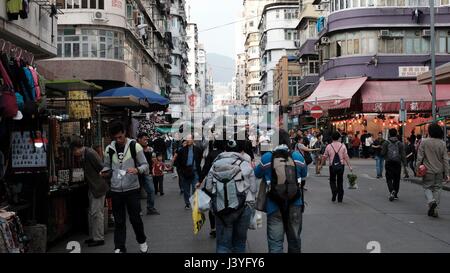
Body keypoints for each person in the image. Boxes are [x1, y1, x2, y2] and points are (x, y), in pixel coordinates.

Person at [254, 129, 307, 253]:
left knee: (275, 243)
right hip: (295, 203)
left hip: (274, 205)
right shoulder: (297, 157)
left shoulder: (267, 157)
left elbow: (256, 174)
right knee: (294, 240)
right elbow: (304, 174)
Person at [100, 121, 149, 253]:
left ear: (124, 133)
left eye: (120, 137)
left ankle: (142, 240)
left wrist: (137, 170)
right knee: (119, 221)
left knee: (135, 219)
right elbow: (107, 167)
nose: (118, 140)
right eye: (115, 138)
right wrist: (104, 172)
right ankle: (119, 247)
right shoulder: (109, 149)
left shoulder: (135, 146)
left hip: (132, 189)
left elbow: (145, 165)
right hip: (116, 190)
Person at [202, 139, 257, 253]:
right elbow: (253, 189)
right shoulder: (245, 164)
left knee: (222, 245)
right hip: (243, 207)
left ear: (225, 149)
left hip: (221, 208)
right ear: (240, 151)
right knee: (239, 243)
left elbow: (208, 187)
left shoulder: (215, 165)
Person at [70, 137, 109, 247]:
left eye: (74, 151)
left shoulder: (90, 153)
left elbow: (102, 168)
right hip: (93, 187)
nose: (74, 154)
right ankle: (95, 236)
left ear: (77, 149)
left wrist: (101, 178)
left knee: (97, 213)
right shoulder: (85, 153)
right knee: (93, 213)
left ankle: (99, 238)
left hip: (98, 187)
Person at [416, 123, 450, 218]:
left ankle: (431, 201)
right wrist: (447, 173)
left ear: (430, 132)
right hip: (439, 170)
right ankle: (435, 209)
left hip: (428, 170)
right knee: (438, 188)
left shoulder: (424, 142)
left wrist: (417, 168)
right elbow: (446, 159)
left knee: (427, 187)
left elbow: (419, 157)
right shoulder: (442, 144)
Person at [197, 139, 227, 239]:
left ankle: (213, 228)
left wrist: (200, 181)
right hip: (224, 183)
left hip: (211, 183)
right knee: (222, 204)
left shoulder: (211, 154)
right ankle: (222, 226)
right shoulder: (225, 155)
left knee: (212, 207)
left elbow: (205, 168)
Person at [173, 134, 202, 209]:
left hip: (195, 171)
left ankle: (194, 202)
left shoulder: (198, 150)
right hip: (185, 172)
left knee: (195, 188)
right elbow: (177, 162)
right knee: (186, 189)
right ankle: (187, 203)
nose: (188, 140)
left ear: (193, 140)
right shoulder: (182, 150)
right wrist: (181, 171)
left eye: (190, 139)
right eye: (187, 139)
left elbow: (200, 160)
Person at [323, 131, 352, 203]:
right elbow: (346, 156)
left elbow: (324, 156)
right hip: (341, 166)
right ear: (339, 138)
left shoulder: (329, 146)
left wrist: (320, 165)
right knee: (340, 181)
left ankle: (334, 191)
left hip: (332, 166)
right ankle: (340, 198)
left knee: (332, 180)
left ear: (332, 138)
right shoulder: (343, 146)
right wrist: (350, 166)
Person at [137, 132, 160, 215]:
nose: (146, 141)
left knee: (151, 190)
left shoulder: (149, 148)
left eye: (147, 139)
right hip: (137, 172)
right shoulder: (135, 148)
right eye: (144, 139)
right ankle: (138, 210)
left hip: (146, 173)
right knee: (137, 192)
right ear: (139, 139)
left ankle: (150, 208)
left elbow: (153, 159)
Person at [381, 128, 407, 202]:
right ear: (396, 134)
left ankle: (391, 190)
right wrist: (405, 164)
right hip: (397, 162)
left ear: (389, 134)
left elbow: (383, 153)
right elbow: (403, 154)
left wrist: (384, 154)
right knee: (396, 178)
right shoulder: (400, 143)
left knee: (389, 178)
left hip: (389, 162)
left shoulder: (386, 143)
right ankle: (395, 194)